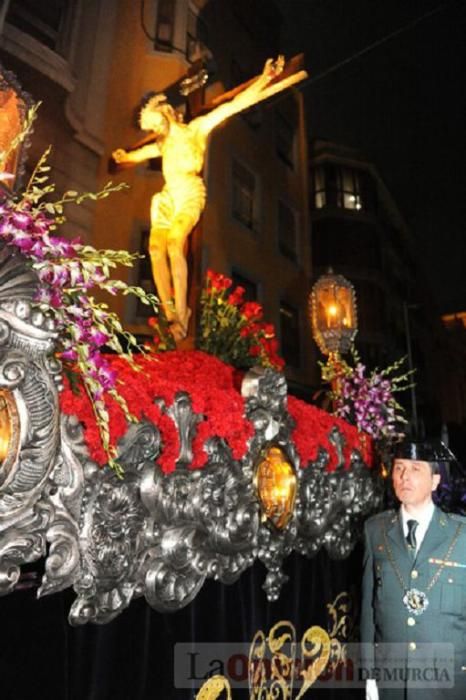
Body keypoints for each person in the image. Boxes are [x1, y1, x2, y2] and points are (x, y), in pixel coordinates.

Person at [112, 56, 306, 341]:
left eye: (155, 123)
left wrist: (265, 79)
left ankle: (182, 312)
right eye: (152, 128)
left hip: (190, 190)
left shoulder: (196, 129)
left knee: (176, 243)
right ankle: (169, 315)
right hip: (167, 195)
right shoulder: (161, 144)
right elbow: (134, 156)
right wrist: (124, 156)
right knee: (155, 249)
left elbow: (234, 105)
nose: (154, 131)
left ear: (166, 114)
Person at [360, 440, 466, 700]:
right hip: (392, 682)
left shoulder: (461, 535)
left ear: (434, 480)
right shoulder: (375, 531)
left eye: (416, 469)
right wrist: (370, 675)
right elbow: (368, 610)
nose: (405, 476)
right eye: (399, 468)